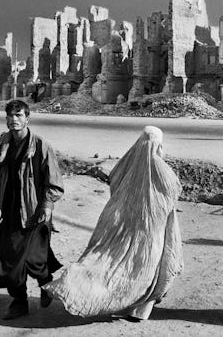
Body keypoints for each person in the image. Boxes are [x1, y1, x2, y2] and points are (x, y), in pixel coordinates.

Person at [43, 126, 183, 321]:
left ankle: (122, 302)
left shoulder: (127, 163)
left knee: (114, 261)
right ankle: (138, 310)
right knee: (148, 265)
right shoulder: (162, 170)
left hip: (121, 223)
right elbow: (173, 191)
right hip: (151, 230)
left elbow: (114, 179)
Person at [0, 99, 64, 320]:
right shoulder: (5, 141)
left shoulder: (40, 145)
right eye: (10, 116)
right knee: (4, 256)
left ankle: (44, 286)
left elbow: (54, 180)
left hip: (34, 210)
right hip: (11, 209)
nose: (14, 120)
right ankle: (20, 300)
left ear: (27, 118)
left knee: (32, 258)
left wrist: (47, 203)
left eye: (18, 116)